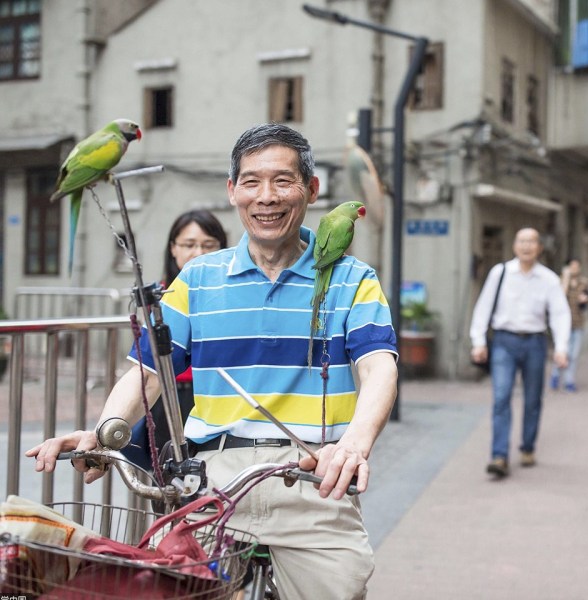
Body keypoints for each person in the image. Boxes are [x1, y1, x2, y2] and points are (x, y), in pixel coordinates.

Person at [27, 123, 399, 599]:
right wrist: (106, 431)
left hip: (314, 475)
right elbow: (146, 373)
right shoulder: (198, 278)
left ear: (311, 189)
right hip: (212, 479)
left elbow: (378, 366)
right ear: (232, 191)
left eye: (283, 181)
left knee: (340, 588)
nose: (266, 196)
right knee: (165, 588)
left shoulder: (353, 278)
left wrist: (355, 444)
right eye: (251, 182)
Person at [122, 209, 228, 471]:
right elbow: (147, 367)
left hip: (209, 396)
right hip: (165, 398)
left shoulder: (230, 297)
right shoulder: (158, 297)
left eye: (208, 245)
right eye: (189, 244)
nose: (197, 253)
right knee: (166, 483)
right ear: (173, 248)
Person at [470, 228, 570, 478]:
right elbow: (483, 307)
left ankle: (527, 446)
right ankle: (499, 455)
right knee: (502, 396)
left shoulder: (549, 279)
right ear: (515, 246)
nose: (526, 246)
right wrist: (479, 341)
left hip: (535, 342)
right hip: (504, 341)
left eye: (531, 242)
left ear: (539, 247)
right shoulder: (500, 273)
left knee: (533, 398)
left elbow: (559, 313)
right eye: (522, 241)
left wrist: (561, 348)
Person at [549, 257, 588, 392]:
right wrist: (566, 279)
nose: (575, 269)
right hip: (562, 325)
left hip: (577, 322)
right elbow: (559, 298)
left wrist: (585, 300)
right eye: (572, 266)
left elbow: (587, 301)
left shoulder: (584, 283)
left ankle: (569, 380)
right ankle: (555, 375)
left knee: (574, 354)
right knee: (561, 351)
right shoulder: (559, 281)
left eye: (577, 267)